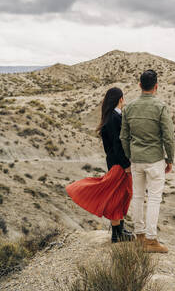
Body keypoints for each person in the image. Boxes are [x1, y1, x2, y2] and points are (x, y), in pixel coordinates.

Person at [66, 87, 133, 243]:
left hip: (114, 163)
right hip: (120, 165)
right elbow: (117, 145)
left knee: (121, 195)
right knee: (118, 197)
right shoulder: (115, 119)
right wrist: (125, 164)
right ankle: (117, 234)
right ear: (120, 99)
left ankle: (119, 231)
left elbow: (109, 147)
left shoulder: (109, 117)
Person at [120, 69, 175, 253]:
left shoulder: (129, 107)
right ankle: (151, 240)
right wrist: (170, 159)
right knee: (154, 199)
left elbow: (124, 136)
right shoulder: (160, 107)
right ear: (156, 87)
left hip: (136, 159)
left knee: (137, 197)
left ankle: (139, 235)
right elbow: (168, 136)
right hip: (154, 160)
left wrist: (130, 155)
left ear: (140, 85)